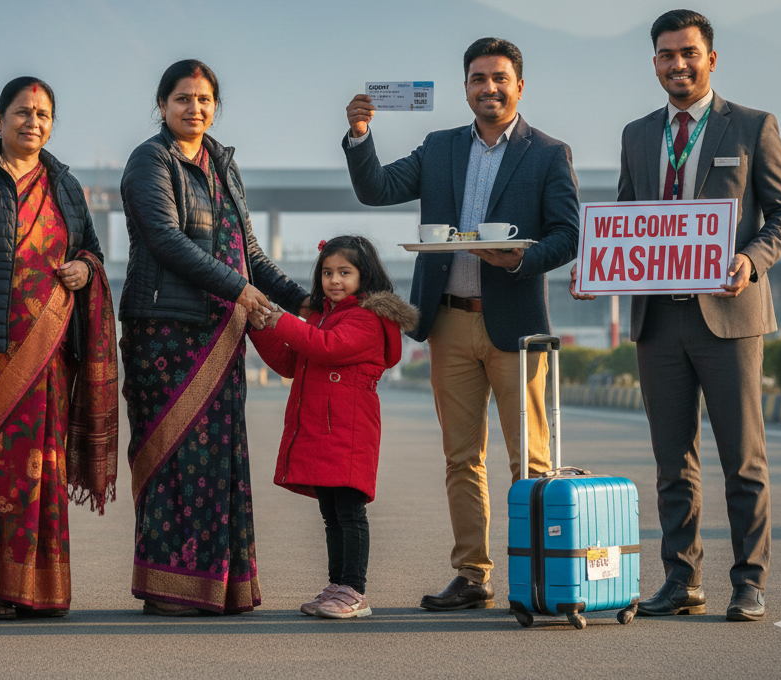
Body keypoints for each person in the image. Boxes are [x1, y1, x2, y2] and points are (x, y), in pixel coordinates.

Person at [571, 9, 781, 622]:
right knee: (672, 460)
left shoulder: (753, 127)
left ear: (711, 59)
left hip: (729, 316)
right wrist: (599, 265)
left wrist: (751, 261)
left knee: (742, 457)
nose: (678, 64)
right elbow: (626, 213)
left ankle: (749, 581)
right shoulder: (637, 134)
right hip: (657, 319)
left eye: (689, 53)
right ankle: (682, 578)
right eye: (667, 55)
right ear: (655, 64)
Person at [344, 37, 579, 611]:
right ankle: (473, 574)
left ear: (519, 85)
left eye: (500, 78)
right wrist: (360, 136)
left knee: (531, 460)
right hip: (448, 324)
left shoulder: (548, 153)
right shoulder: (440, 148)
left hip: (517, 327)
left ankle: (540, 576)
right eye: (478, 79)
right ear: (465, 88)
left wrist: (521, 258)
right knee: (461, 458)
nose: (489, 88)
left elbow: (568, 235)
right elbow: (376, 190)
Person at [118, 59, 310, 616]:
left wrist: (305, 300)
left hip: (223, 334)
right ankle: (168, 586)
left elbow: (248, 252)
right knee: (173, 458)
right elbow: (166, 239)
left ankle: (220, 585)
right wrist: (240, 292)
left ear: (215, 107)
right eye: (182, 99)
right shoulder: (149, 161)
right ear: (161, 105)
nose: (194, 109)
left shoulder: (223, 164)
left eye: (204, 100)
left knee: (220, 459)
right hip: (166, 334)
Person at [0, 77, 118, 620]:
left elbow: (92, 253)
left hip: (50, 356)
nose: (33, 121)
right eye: (22, 112)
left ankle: (41, 588)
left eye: (43, 114)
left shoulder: (65, 185)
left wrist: (85, 269)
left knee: (41, 467)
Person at [246, 235, 417, 620]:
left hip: (349, 430)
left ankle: (355, 591)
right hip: (325, 429)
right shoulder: (321, 315)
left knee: (350, 512)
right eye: (327, 272)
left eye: (344, 272)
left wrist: (282, 318)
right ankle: (337, 585)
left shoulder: (367, 318)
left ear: (364, 276)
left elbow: (326, 347)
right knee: (332, 512)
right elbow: (291, 362)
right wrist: (261, 327)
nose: (334, 280)